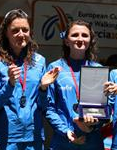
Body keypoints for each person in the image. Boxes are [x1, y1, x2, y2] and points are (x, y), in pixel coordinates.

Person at [0, 8, 60, 150]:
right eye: (15, 30)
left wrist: (43, 88)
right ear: (6, 33)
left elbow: (44, 106)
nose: (21, 34)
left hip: (34, 137)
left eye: (25, 30)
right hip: (6, 138)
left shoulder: (39, 61)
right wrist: (10, 84)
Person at [44, 19, 105, 150]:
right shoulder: (55, 68)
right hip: (63, 142)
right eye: (74, 35)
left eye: (84, 35)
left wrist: (91, 126)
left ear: (90, 41)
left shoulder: (97, 70)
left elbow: (104, 109)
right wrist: (65, 131)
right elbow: (49, 108)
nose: (80, 39)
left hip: (92, 143)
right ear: (66, 41)